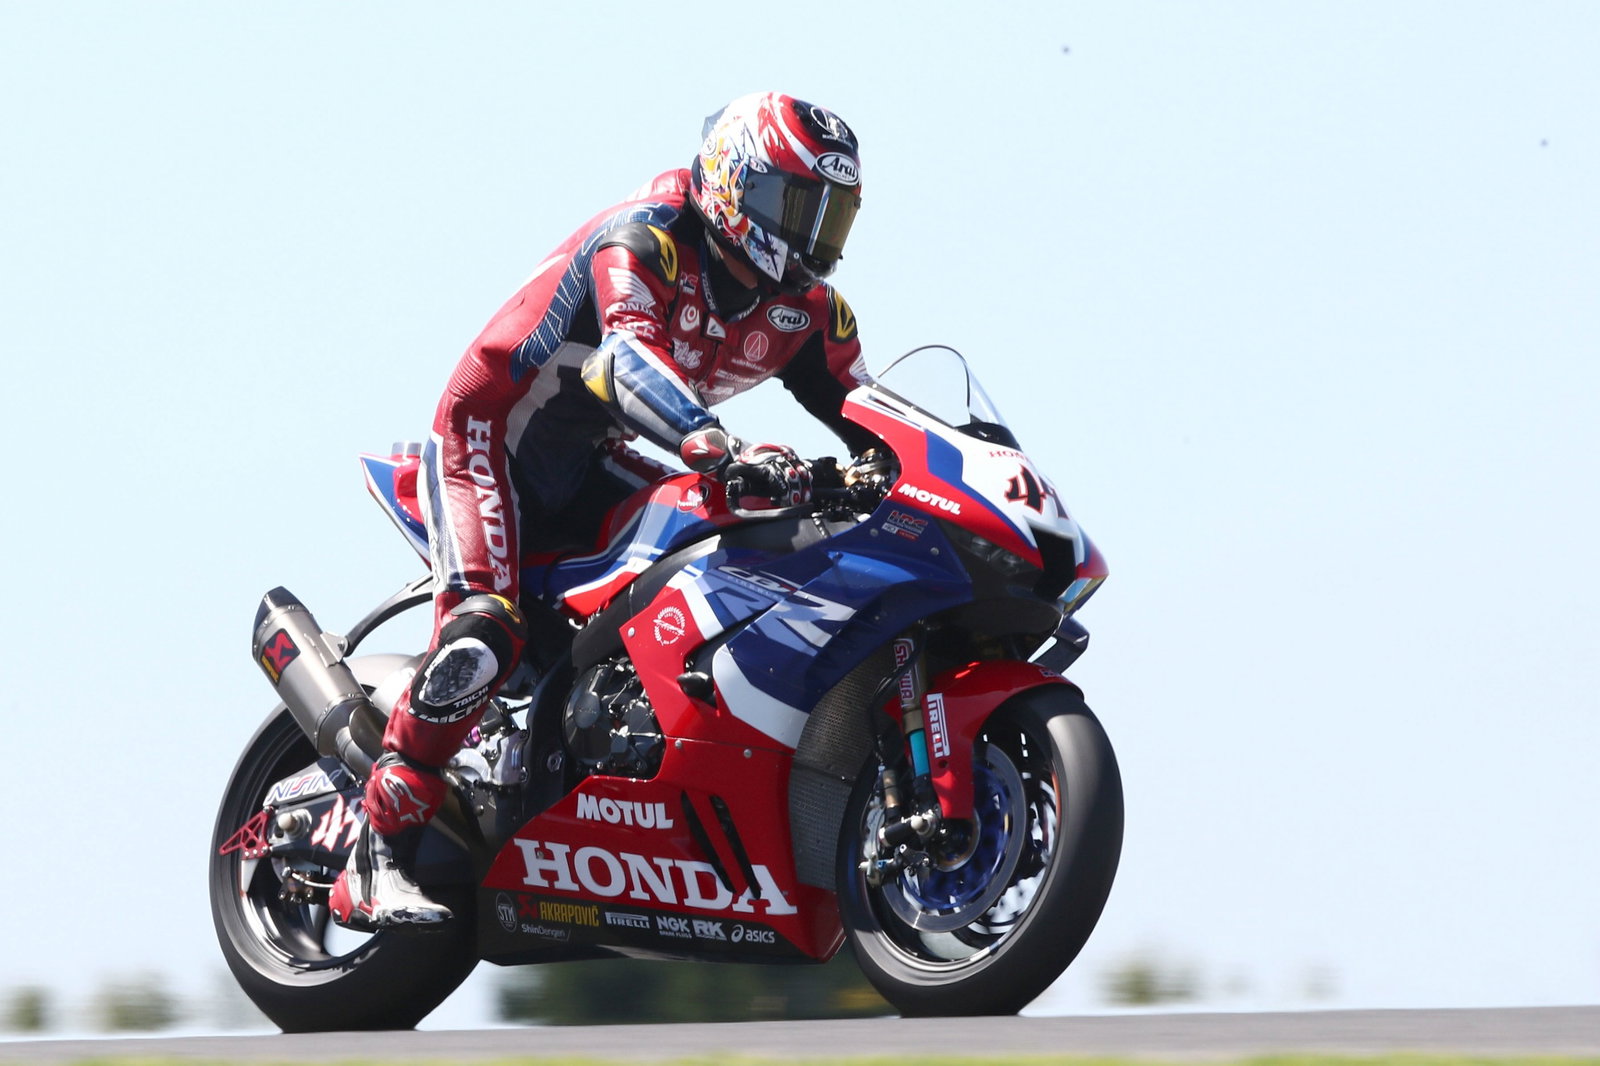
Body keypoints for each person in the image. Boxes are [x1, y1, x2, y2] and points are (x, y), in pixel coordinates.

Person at [331, 91, 876, 927]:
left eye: (830, 217)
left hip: (590, 458)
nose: (811, 237)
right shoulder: (647, 238)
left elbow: (869, 408)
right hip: (491, 439)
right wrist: (715, 442)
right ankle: (374, 847)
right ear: (737, 182)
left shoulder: (806, 309)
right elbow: (624, 359)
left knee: (718, 542)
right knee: (485, 632)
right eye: (796, 205)